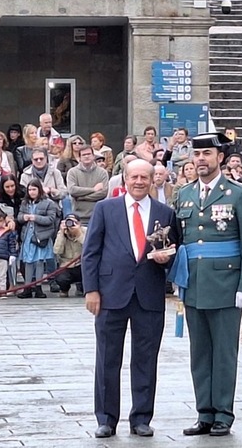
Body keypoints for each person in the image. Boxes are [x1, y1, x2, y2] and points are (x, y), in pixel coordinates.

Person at [170, 132, 242, 438]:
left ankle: (223, 412)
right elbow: (180, 241)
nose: (201, 160)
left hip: (225, 284)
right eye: (197, 154)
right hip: (194, 283)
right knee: (200, 353)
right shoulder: (184, 195)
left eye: (207, 154)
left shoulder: (238, 194)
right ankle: (204, 412)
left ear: (220, 158)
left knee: (223, 353)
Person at [82, 159, 179, 438]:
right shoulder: (105, 209)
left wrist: (165, 260)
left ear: (152, 180)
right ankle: (106, 418)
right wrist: (91, 290)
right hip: (110, 294)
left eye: (144, 178)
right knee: (107, 359)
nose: (139, 182)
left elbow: (174, 248)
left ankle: (141, 418)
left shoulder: (165, 212)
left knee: (146, 359)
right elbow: (91, 252)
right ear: (124, 179)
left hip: (148, 295)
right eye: (134, 177)